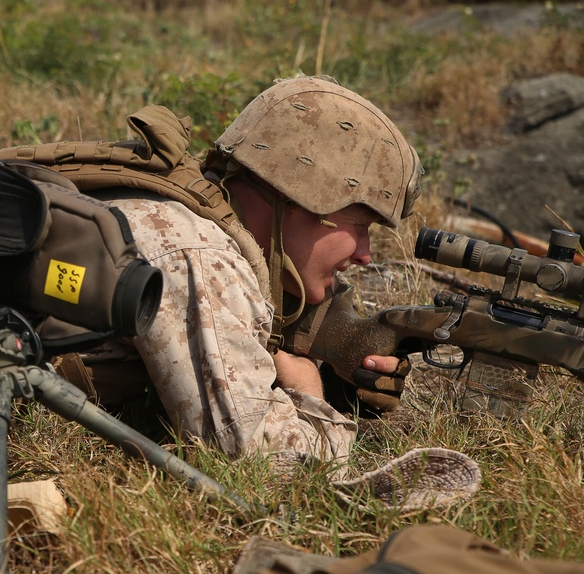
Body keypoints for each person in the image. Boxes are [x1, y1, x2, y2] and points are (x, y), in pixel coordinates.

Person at [90, 75, 422, 476]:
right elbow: (261, 465)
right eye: (359, 225)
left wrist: (341, 371)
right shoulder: (197, 255)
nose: (367, 254)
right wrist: (306, 384)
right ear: (294, 199)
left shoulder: (192, 206)